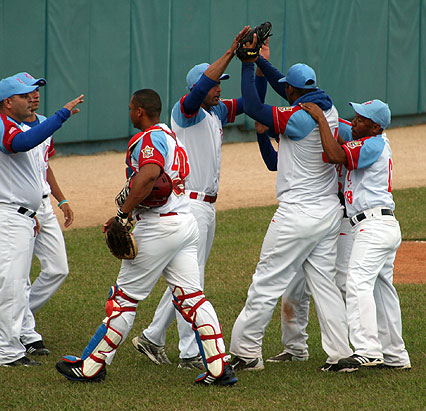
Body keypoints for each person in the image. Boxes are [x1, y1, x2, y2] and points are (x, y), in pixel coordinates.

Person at [56, 89, 237, 386]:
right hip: (184, 222)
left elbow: (151, 176)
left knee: (123, 300)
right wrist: (125, 211)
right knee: (191, 297)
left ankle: (91, 366)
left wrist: (124, 215)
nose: (129, 112)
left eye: (130, 108)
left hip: (158, 228)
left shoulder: (149, 138)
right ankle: (219, 368)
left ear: (139, 111)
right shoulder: (171, 137)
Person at [131, 26, 255, 370]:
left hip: (208, 207)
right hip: (192, 205)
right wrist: (231, 50)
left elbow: (253, 99)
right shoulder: (185, 110)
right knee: (192, 280)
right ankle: (189, 352)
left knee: (188, 276)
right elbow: (201, 89)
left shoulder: (216, 112)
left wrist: (255, 62)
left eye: (220, 84)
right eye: (215, 83)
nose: (219, 88)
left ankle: (153, 337)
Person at [229, 34, 353, 372]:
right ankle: (341, 355)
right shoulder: (325, 105)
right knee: (324, 286)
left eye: (289, 89)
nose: (285, 91)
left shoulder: (300, 118)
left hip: (298, 214)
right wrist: (260, 62)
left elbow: (253, 108)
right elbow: (285, 88)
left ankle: (246, 351)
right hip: (327, 213)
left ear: (296, 92)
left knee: (266, 281)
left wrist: (245, 66)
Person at [300, 99, 411, 371]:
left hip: (373, 226)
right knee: (382, 291)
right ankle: (396, 355)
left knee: (358, 282)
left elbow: (334, 154)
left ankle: (368, 349)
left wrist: (322, 120)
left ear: (374, 126)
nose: (355, 120)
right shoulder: (371, 139)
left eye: (361, 119)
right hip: (379, 224)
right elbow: (345, 133)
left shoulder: (372, 144)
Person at [0, 74, 83, 367]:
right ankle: (5, 352)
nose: (31, 99)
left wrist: (34, 211)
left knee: (13, 287)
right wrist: (61, 115)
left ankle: (7, 347)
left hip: (18, 215)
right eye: (25, 96)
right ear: (8, 102)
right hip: (6, 216)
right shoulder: (1, 125)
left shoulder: (12, 124)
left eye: (31, 95)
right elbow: (23, 143)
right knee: (11, 287)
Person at [256, 118, 355, 364]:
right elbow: (273, 162)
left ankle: (367, 347)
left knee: (343, 284)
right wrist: (261, 135)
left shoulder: (340, 128)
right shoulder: (294, 130)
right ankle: (295, 348)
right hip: (314, 218)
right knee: (293, 286)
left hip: (344, 218)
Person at [15, 72, 72, 342]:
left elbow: (45, 167)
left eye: (37, 90)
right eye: (29, 92)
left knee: (58, 268)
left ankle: (17, 314)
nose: (35, 95)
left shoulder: (45, 125)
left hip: (45, 205)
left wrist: (62, 200)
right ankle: (23, 329)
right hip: (21, 207)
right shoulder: (10, 128)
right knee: (21, 274)